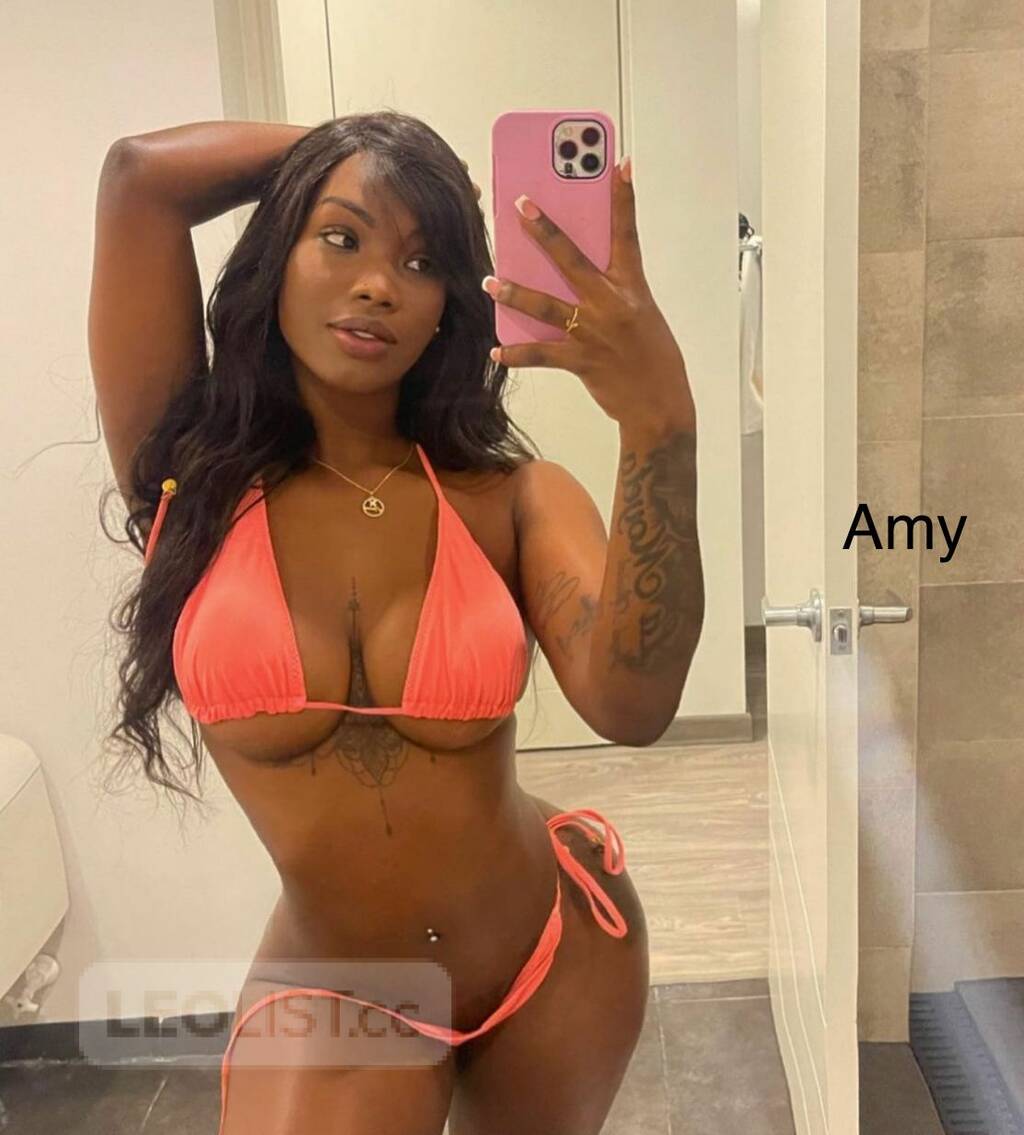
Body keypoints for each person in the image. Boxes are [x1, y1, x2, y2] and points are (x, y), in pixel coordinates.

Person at [89, 110, 703, 1134]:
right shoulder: (188, 485)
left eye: (422, 261)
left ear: (446, 306)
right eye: (342, 237)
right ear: (278, 256)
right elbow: (139, 176)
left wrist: (659, 423)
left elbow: (632, 707)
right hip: (343, 996)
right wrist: (382, 147)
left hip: (554, 951)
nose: (379, 283)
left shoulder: (510, 498)